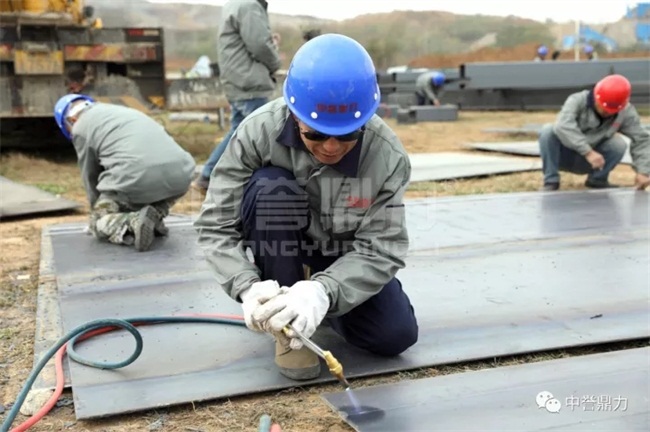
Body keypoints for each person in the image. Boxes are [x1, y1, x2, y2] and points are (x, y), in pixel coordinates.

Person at [194, 34, 419, 381]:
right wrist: (247, 286)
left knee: (395, 336)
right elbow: (215, 225)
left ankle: (313, 302)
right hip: (281, 248)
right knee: (270, 187)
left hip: (342, 257)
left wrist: (323, 292)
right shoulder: (257, 132)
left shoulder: (386, 157)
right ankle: (286, 327)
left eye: (347, 135)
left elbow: (382, 248)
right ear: (294, 114)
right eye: (315, 134)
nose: (331, 147)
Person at [53, 94, 196, 251]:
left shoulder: (80, 127)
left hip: (137, 176)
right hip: (182, 174)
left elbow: (90, 174)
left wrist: (98, 212)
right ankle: (155, 214)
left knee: (98, 223)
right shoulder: (120, 111)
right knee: (147, 191)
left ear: (71, 120)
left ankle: (132, 222)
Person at [193, 0, 282, 192]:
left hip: (238, 80)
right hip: (249, 82)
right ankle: (266, 185)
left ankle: (208, 175)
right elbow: (259, 45)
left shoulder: (235, 4)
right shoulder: (249, 5)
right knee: (264, 133)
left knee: (238, 133)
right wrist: (275, 62)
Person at [538, 74, 650, 191]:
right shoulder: (577, 100)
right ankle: (551, 181)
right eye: (604, 109)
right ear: (596, 97)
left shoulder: (625, 111)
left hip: (593, 163)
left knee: (618, 144)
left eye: (612, 111)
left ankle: (597, 179)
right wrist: (588, 152)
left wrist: (644, 171)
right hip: (564, 156)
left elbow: (642, 139)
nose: (608, 113)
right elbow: (563, 126)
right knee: (548, 131)